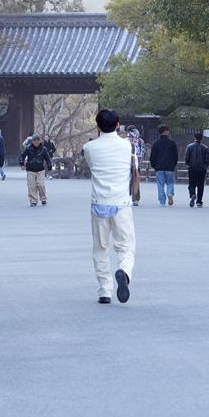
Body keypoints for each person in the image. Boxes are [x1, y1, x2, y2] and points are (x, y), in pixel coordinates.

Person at [83, 109, 135, 304]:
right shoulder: (127, 146)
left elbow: (91, 166)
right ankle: (124, 272)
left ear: (97, 126)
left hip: (99, 202)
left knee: (100, 247)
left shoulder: (89, 148)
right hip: (121, 203)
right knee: (126, 246)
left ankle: (105, 291)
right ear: (117, 125)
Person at [149, 125, 179, 206]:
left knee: (160, 184)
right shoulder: (172, 143)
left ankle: (162, 201)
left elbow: (152, 157)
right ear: (165, 131)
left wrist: (154, 166)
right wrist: (173, 165)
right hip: (169, 167)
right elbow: (175, 156)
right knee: (170, 182)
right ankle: (169, 193)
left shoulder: (155, 143)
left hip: (159, 167)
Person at [20, 135, 52, 206]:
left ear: (40, 141)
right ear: (32, 141)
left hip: (40, 169)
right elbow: (22, 156)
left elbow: (47, 159)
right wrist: (22, 164)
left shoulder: (43, 149)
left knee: (41, 185)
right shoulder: (28, 149)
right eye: (35, 140)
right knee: (32, 186)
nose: (36, 142)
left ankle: (43, 198)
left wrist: (49, 167)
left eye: (38, 140)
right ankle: (33, 201)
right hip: (30, 169)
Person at [184, 131, 209, 208]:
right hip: (202, 168)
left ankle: (192, 194)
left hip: (192, 168)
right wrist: (206, 166)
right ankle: (199, 201)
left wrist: (188, 164)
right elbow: (207, 159)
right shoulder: (205, 148)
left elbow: (187, 157)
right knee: (200, 185)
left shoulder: (189, 147)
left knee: (192, 184)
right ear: (202, 139)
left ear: (194, 138)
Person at [126, 126, 145, 205]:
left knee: (126, 180)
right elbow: (143, 152)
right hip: (137, 164)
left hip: (126, 163)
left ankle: (126, 197)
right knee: (136, 180)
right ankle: (136, 198)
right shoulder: (141, 141)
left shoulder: (126, 141)